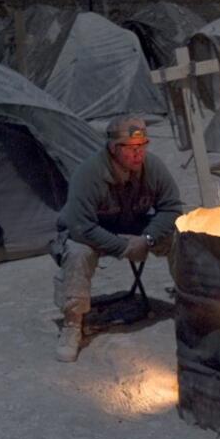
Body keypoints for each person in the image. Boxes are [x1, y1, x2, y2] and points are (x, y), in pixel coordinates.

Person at [52, 115, 183, 362]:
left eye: (143, 146)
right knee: (77, 251)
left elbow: (172, 209)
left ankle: (190, 300)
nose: (139, 154)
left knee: (180, 235)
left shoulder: (152, 167)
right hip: (95, 232)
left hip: (134, 227)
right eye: (132, 148)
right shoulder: (89, 173)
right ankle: (72, 324)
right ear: (114, 148)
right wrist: (123, 247)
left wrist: (147, 238)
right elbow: (80, 227)